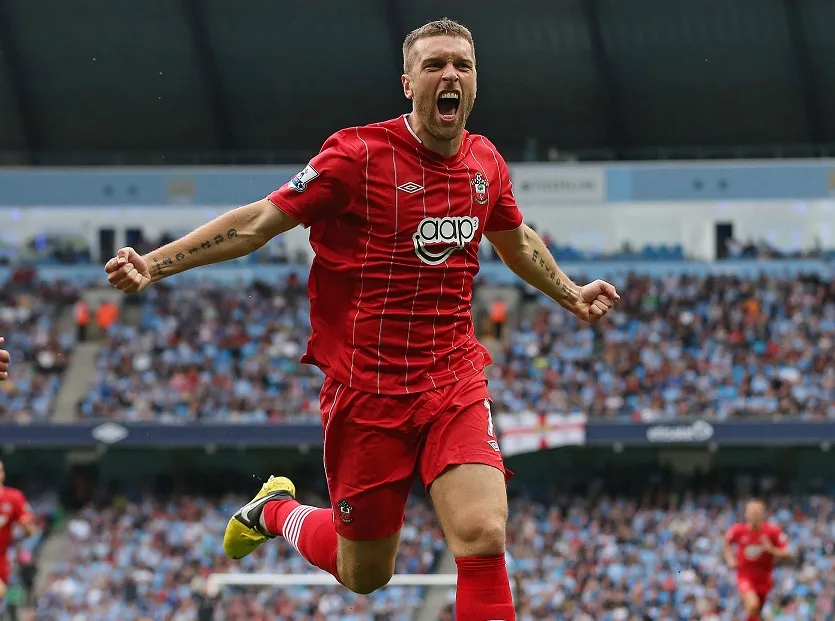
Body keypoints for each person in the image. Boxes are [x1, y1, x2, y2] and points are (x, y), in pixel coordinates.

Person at [104, 18, 619, 620]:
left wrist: (570, 294)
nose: (450, 75)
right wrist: (154, 264)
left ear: (476, 81)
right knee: (365, 573)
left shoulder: (485, 163)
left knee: (483, 534)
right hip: (367, 391)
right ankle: (276, 511)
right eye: (434, 65)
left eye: (462, 65)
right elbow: (258, 223)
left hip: (451, 377)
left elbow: (516, 239)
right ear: (408, 83)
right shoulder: (358, 156)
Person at [724, 498, 791, 621]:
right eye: (751, 512)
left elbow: (786, 552)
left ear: (763, 514)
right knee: (753, 605)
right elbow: (727, 542)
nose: (754, 515)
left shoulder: (773, 531)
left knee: (755, 612)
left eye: (757, 512)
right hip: (745, 576)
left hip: (764, 578)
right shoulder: (738, 530)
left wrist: (771, 549)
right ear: (746, 514)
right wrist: (730, 559)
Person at [0, 460, 35, 617]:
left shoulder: (13, 497)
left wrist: (25, 528)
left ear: (2, 474)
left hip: (5, 557)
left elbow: (28, 527)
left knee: (9, 592)